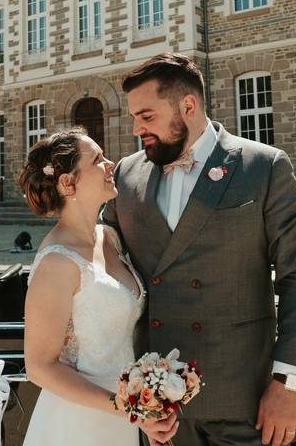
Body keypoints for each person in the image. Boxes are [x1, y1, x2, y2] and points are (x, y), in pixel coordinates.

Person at [101, 53, 296, 446]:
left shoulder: (263, 167)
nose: (137, 128)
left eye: (147, 116)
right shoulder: (126, 174)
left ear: (188, 106)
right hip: (157, 410)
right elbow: (99, 260)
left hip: (245, 400)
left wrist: (289, 384)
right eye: (134, 116)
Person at [19, 127, 179, 446]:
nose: (110, 164)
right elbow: (39, 366)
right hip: (77, 423)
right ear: (68, 182)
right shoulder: (56, 262)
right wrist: (126, 410)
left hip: (124, 421)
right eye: (97, 159)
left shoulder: (110, 238)